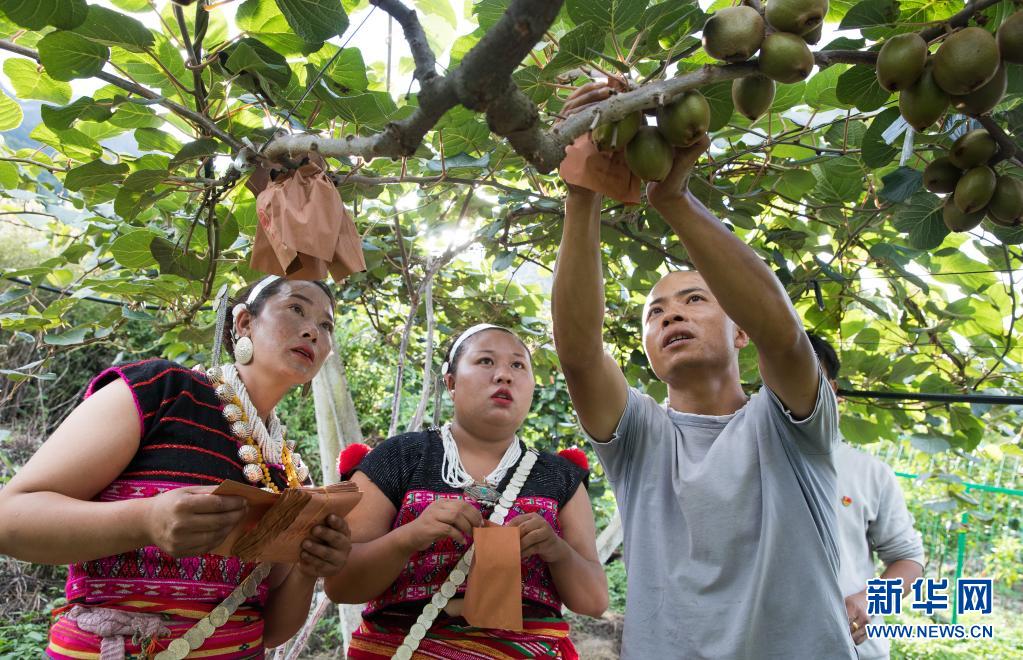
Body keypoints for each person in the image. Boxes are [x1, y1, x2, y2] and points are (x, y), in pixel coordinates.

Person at [550, 81, 856, 659]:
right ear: (646, 348)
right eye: (654, 313)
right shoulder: (641, 438)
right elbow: (580, 353)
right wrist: (583, 186)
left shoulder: (789, 424)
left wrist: (673, 199)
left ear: (739, 329)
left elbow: (785, 336)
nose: (671, 316)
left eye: (694, 299)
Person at [0, 276, 353, 658]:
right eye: (297, 309)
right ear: (244, 324)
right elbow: (11, 519)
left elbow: (270, 631)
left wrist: (307, 569)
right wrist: (145, 520)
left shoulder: (292, 474)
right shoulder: (162, 390)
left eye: (326, 325)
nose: (312, 331)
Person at [326, 324, 607, 659]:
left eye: (518, 365)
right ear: (451, 383)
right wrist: (410, 537)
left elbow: (593, 601)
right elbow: (340, 583)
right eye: (486, 361)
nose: (504, 375)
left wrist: (555, 549)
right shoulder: (398, 457)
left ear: (532, 387)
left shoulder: (560, 476)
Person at [807, 332, 925, 657]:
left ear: (833, 391)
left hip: (852, 650)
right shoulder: (744, 462)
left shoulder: (869, 473)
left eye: (804, 372)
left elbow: (909, 560)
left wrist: (867, 601)